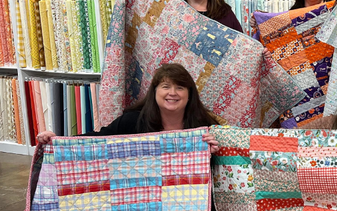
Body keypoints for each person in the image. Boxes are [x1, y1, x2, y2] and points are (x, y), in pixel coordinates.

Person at [36, 63, 220, 153]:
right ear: (154, 92)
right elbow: (98, 139)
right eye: (165, 87)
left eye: (180, 87)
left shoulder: (203, 125)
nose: (172, 93)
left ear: (189, 94)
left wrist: (213, 153)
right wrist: (58, 140)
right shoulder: (133, 121)